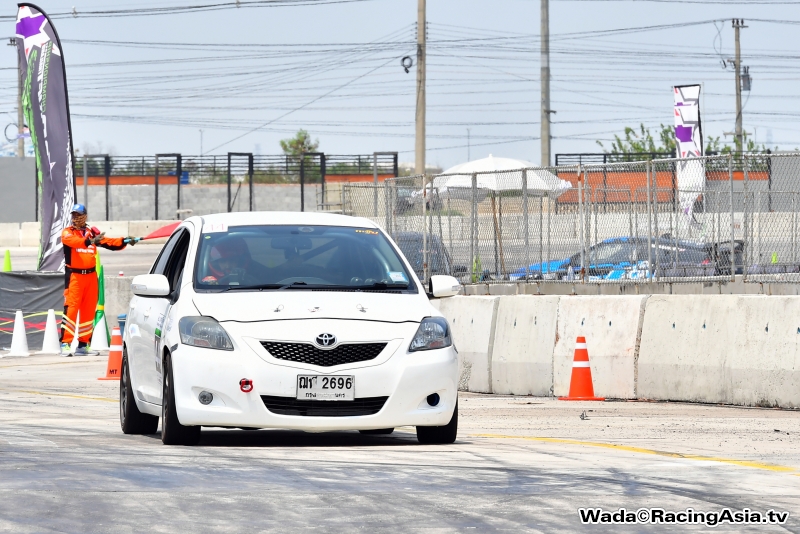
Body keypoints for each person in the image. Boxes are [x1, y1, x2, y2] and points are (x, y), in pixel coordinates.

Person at [60, 203, 137, 356]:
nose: (76, 218)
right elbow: (74, 242)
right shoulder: (67, 232)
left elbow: (108, 242)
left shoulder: (91, 232)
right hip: (75, 276)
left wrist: (125, 241)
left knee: (89, 311)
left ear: (85, 216)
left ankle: (83, 345)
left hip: (90, 277)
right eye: (73, 215)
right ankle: (65, 344)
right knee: (72, 309)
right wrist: (90, 242)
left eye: (78, 215)